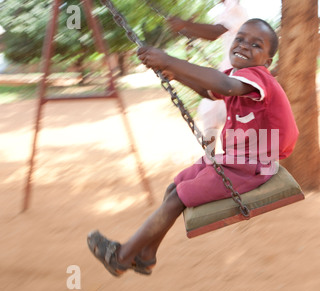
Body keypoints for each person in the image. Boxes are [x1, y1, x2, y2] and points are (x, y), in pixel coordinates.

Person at [87, 19, 299, 277]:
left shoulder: (258, 78)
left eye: (256, 45)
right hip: (232, 160)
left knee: (178, 199)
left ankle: (121, 257)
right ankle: (146, 255)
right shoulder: (238, 77)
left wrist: (169, 61)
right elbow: (210, 91)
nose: (244, 46)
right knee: (174, 188)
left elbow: (224, 86)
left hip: (251, 168)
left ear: (267, 62)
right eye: (240, 39)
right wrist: (178, 76)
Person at [167, 0, 248, 152]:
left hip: (238, 70)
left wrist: (185, 24)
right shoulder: (226, 11)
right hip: (230, 68)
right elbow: (211, 33)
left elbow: (215, 32)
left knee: (232, 115)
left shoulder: (237, 9)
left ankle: (228, 160)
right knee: (209, 110)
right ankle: (211, 159)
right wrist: (185, 29)